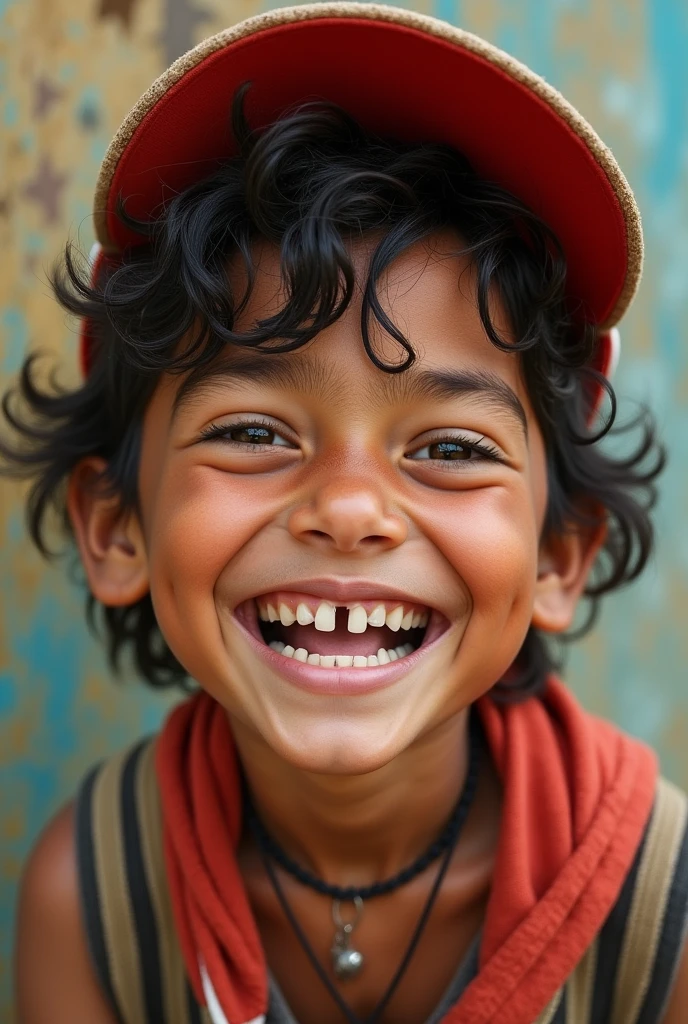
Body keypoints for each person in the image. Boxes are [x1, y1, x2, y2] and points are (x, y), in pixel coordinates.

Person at [5, 4, 688, 1023]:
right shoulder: (97, 901)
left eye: (451, 450)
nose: (351, 509)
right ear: (117, 529)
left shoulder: (658, 909)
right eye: (252, 432)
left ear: (557, 554)